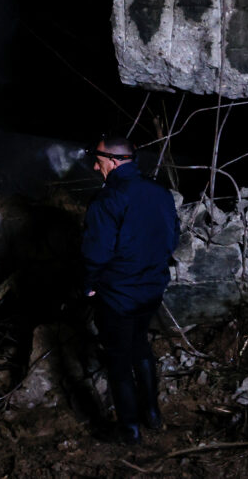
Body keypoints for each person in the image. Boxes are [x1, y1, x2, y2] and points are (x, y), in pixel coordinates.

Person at [82, 136, 180, 445]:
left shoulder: (107, 200)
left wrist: (90, 285)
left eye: (98, 162)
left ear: (111, 161)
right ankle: (152, 415)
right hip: (151, 290)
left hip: (117, 296)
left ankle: (129, 430)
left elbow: (95, 253)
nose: (96, 168)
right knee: (141, 347)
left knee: (119, 360)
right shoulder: (160, 193)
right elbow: (171, 239)